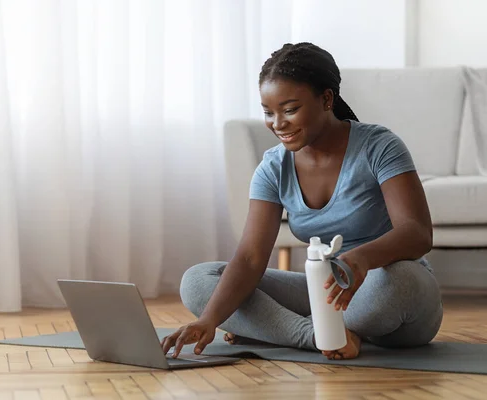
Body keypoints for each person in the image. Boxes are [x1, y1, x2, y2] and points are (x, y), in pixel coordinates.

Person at [160, 42, 443, 361]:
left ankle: (283, 327)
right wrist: (208, 320)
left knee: (395, 281)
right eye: (269, 112)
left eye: (290, 109)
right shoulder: (272, 167)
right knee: (198, 281)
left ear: (326, 99)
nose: (278, 123)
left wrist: (358, 260)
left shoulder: (378, 147)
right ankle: (317, 336)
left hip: (393, 295)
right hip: (327, 292)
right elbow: (251, 259)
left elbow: (418, 233)